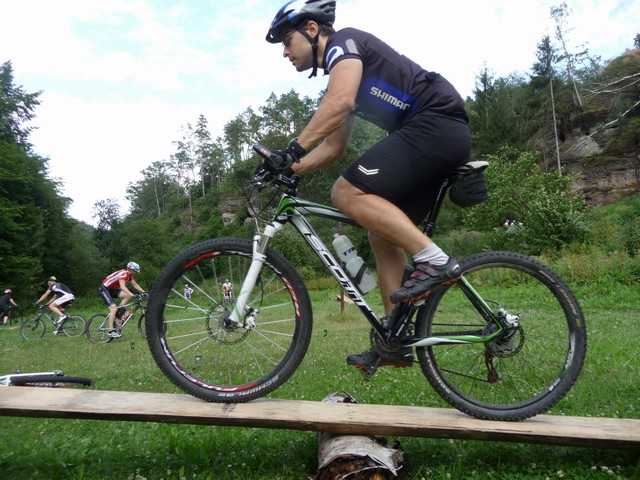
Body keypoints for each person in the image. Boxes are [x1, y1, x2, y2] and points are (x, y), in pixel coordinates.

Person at [263, 0, 471, 370]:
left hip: (437, 124)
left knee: (344, 192)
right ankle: (395, 340)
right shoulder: (343, 75)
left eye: (286, 41)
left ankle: (434, 261)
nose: (284, 52)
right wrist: (291, 168)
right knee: (381, 233)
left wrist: (293, 148)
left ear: (311, 29)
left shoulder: (344, 43)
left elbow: (340, 102)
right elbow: (334, 147)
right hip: (433, 134)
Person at [98, 261, 146, 339]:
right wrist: (133, 294)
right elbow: (122, 287)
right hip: (104, 289)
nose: (135, 273)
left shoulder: (129, 275)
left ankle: (119, 312)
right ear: (131, 269)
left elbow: (135, 285)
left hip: (110, 289)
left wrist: (144, 292)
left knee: (127, 296)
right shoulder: (124, 273)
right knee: (113, 309)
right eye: (135, 271)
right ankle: (111, 331)